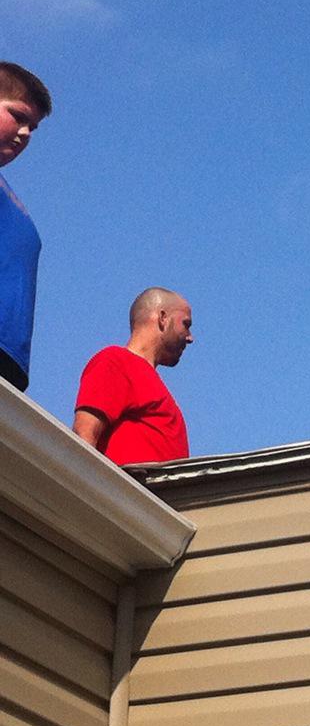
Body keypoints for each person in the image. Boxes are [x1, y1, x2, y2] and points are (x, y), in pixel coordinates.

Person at [73, 288, 193, 464]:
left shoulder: (159, 389)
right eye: (186, 324)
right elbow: (83, 435)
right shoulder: (115, 361)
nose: (190, 338)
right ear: (163, 318)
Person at [0, 62, 52, 392]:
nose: (25, 134)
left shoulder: (11, 196)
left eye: (32, 127)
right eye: (18, 117)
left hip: (10, 365)